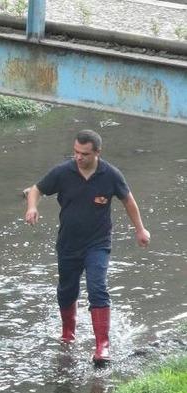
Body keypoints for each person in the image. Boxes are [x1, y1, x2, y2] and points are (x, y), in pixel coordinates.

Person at [24, 129, 150, 365]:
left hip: (97, 243)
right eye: (76, 152)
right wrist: (32, 207)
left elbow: (128, 201)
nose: (78, 157)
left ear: (97, 153)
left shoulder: (110, 175)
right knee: (66, 290)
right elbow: (36, 189)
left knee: (97, 288)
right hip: (68, 243)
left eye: (84, 153)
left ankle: (102, 345)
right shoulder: (63, 172)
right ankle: (68, 333)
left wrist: (140, 230)